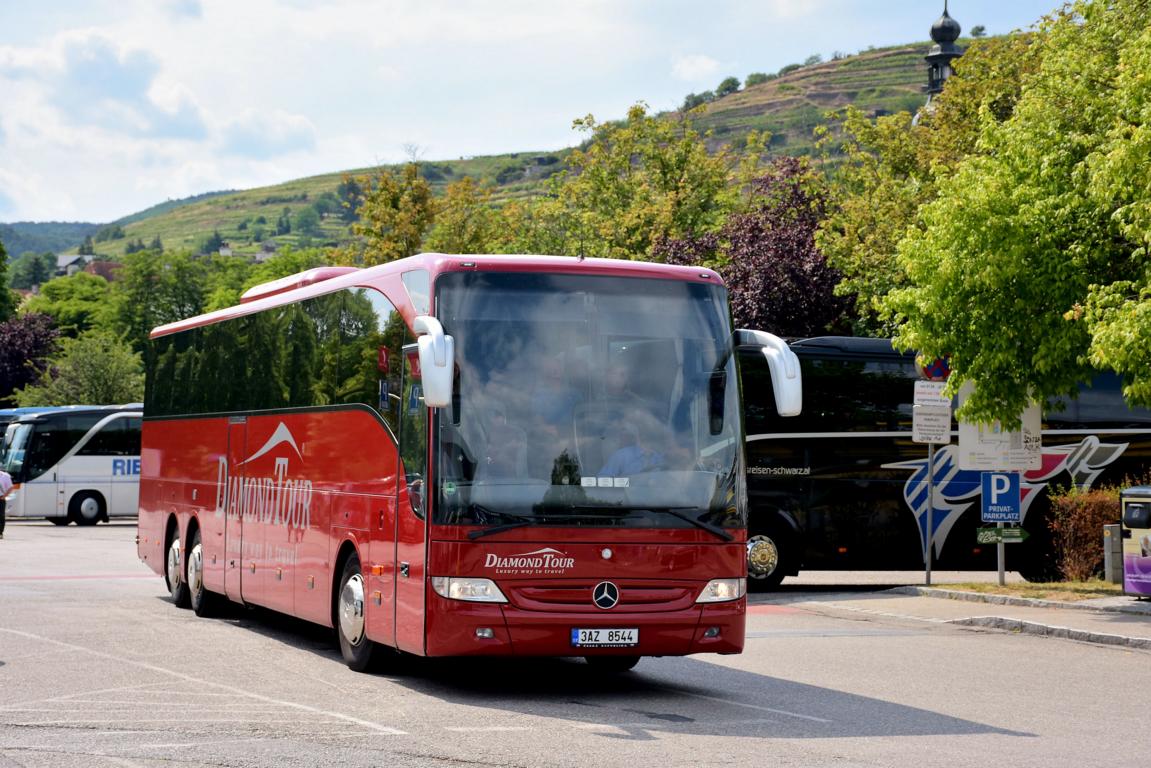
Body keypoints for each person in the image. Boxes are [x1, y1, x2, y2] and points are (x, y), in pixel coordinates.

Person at [598, 424, 664, 477]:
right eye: (645, 438)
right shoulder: (621, 455)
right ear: (638, 438)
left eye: (653, 438)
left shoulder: (661, 459)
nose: (649, 442)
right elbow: (603, 478)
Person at [0, 468, 11, 540]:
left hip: (0, 498)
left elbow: (10, 487)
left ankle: (0, 532)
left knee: (1, 516)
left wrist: (4, 496)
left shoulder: (5, 476)